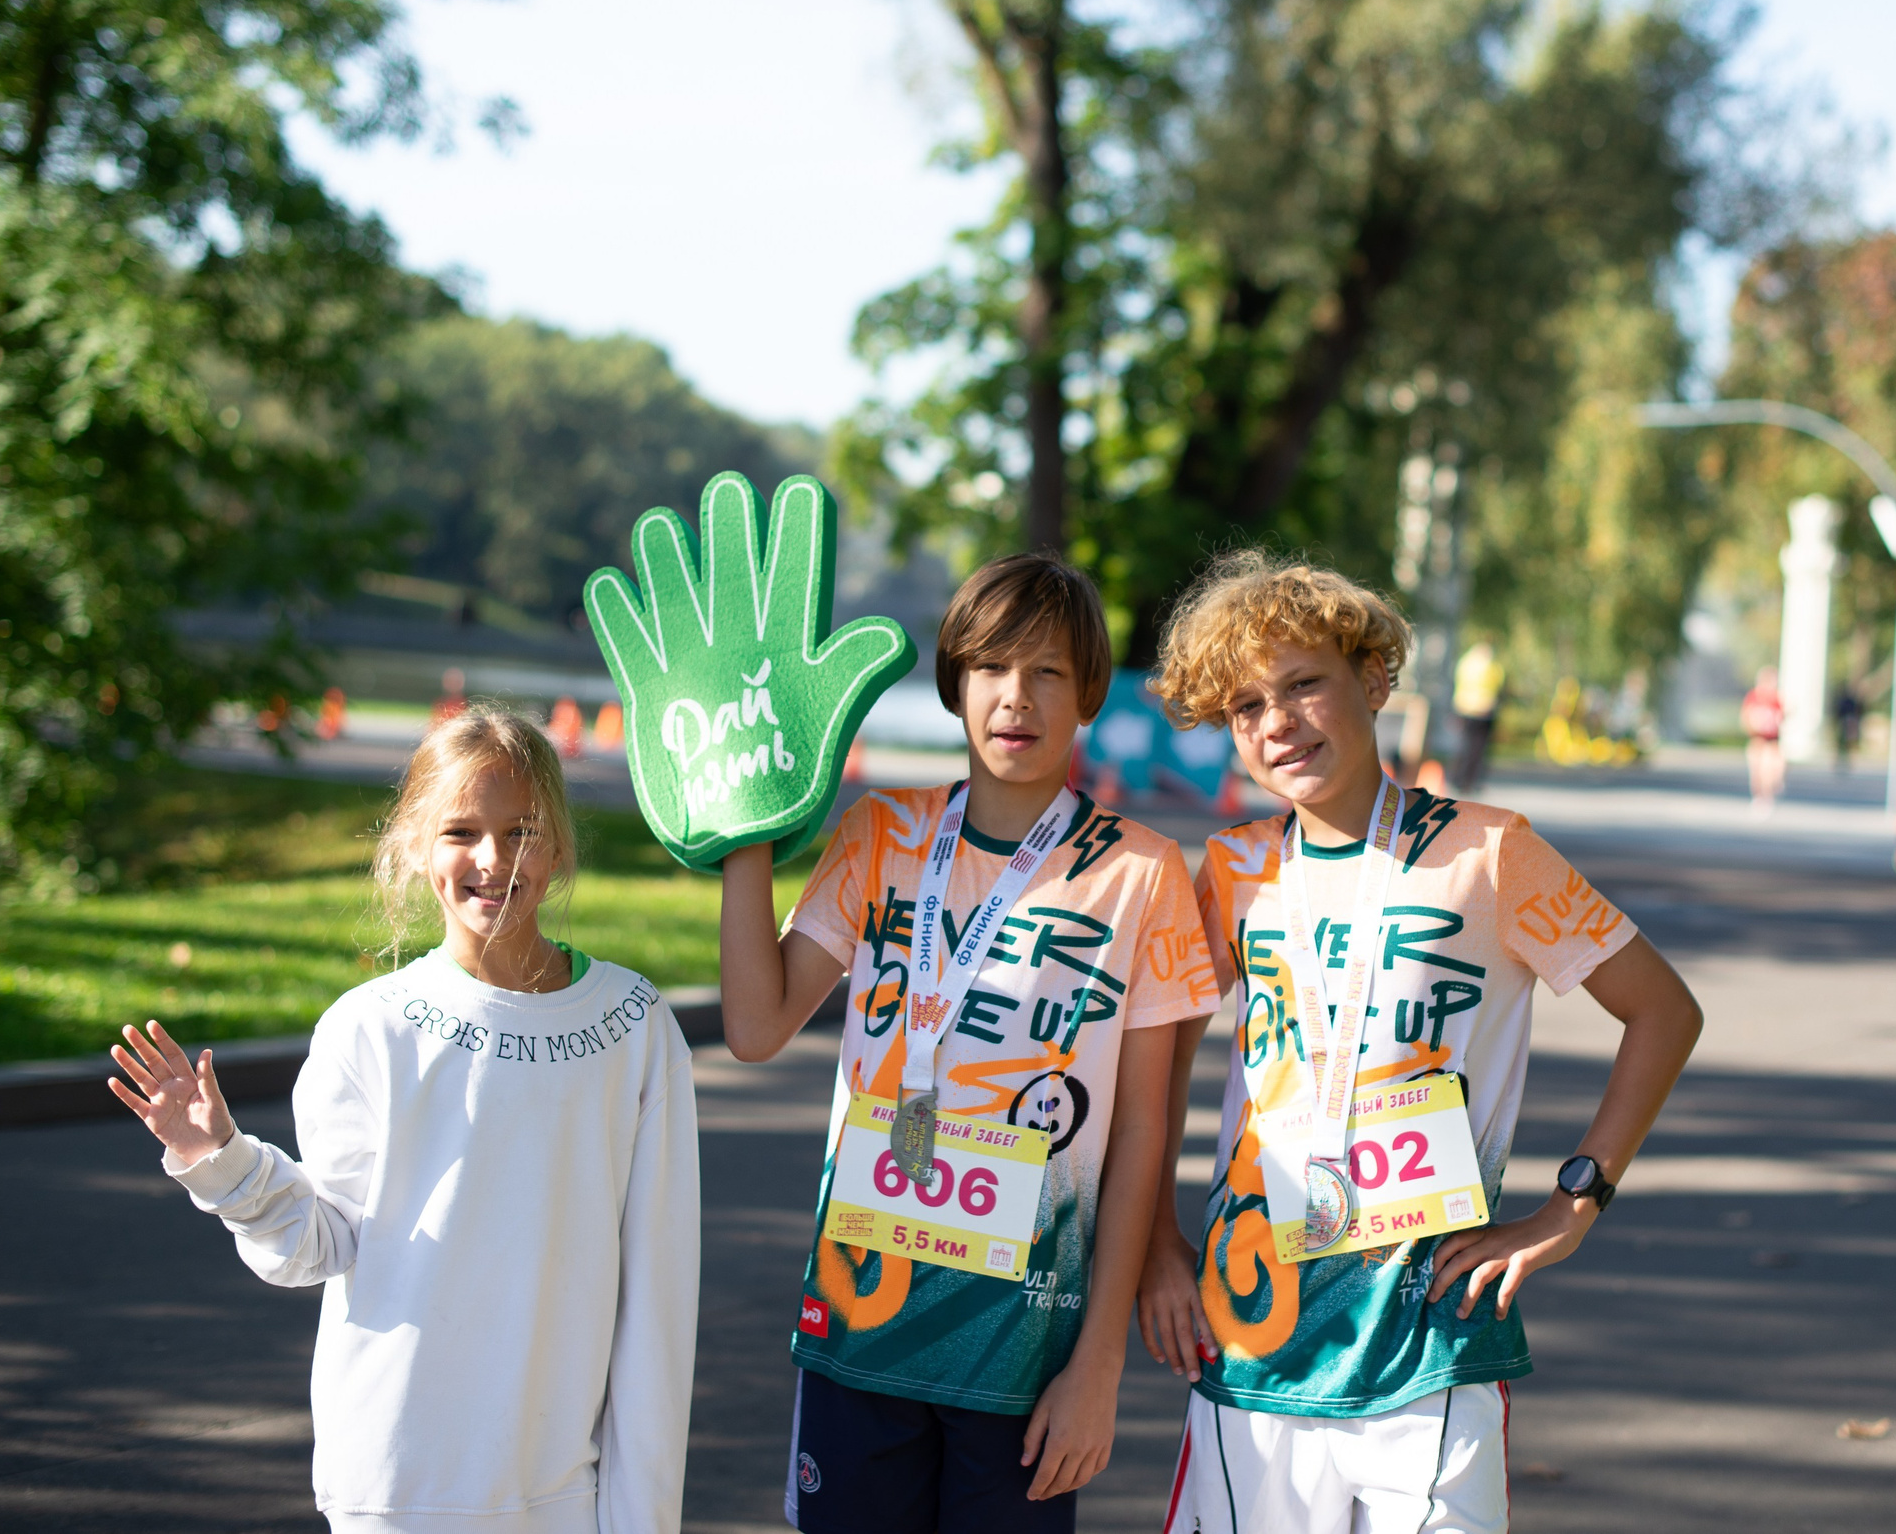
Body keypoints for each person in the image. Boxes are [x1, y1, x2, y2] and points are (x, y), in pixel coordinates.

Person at [1134, 553, 1702, 1534]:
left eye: (1303, 683)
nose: (1278, 721)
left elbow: (1664, 1012)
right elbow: (1155, 1064)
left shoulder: (1491, 851)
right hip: (1253, 1327)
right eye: (1246, 706)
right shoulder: (1231, 868)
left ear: (1374, 680)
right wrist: (1154, 1244)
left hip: (1432, 1327)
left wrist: (1572, 1205)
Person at [714, 553, 1224, 1534]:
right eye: (990, 666)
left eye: (1047, 671)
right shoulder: (881, 831)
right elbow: (755, 1025)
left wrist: (1099, 1363)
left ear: (1088, 694)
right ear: (954, 681)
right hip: (859, 1320)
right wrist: (743, 834)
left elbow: (1141, 1132)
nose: (1015, 696)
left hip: (1023, 1352)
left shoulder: (1141, 872)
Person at [107, 707, 700, 1533]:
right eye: (461, 831)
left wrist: (643, 1515)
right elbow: (322, 1243)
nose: (493, 858)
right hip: (394, 1486)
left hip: (561, 1490)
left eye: (523, 831)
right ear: (418, 847)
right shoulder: (370, 1027)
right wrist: (221, 1159)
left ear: (560, 846)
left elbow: (659, 1301)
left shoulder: (633, 1025)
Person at [1449, 641, 1505, 793]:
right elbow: (1499, 683)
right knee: (1478, 748)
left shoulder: (1465, 662)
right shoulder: (1491, 665)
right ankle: (1471, 781)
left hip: (1464, 707)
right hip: (1484, 709)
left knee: (1463, 745)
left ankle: (1457, 779)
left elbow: (1457, 681)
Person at [1740, 667, 1786, 815]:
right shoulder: (1753, 697)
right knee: (1757, 770)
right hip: (1757, 739)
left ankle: (1770, 793)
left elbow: (1784, 715)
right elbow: (1745, 717)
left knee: (1774, 769)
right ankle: (1759, 796)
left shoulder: (1777, 698)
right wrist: (1754, 723)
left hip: (1772, 740)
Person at [1831, 682, 1864, 775]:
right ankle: (1841, 763)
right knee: (1845, 745)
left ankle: (1847, 764)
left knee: (1848, 745)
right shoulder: (1849, 701)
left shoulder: (1847, 701)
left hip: (1848, 723)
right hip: (1847, 723)